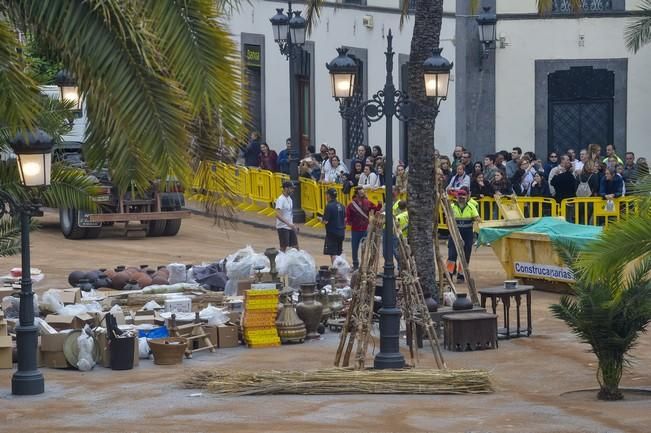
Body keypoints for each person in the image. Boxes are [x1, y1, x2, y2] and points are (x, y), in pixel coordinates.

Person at [446, 189, 480, 283]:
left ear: (466, 197)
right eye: (459, 197)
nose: (461, 199)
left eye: (463, 197)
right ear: (457, 197)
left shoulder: (471, 207)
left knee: (465, 255)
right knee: (452, 255)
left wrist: (477, 219)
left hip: (467, 234)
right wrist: (451, 231)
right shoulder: (452, 207)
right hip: (454, 233)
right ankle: (449, 275)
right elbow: (447, 221)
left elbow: (477, 218)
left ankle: (461, 275)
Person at [346, 187, 382, 269]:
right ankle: (355, 264)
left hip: (364, 229)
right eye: (361, 192)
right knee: (354, 248)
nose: (363, 193)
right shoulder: (351, 205)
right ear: (356, 194)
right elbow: (348, 217)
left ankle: (364, 264)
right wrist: (352, 223)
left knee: (366, 248)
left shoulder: (367, 202)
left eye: (363, 192)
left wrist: (379, 205)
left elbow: (376, 210)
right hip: (355, 230)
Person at [321, 188, 346, 264]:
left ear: (329, 195)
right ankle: (340, 270)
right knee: (338, 253)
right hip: (341, 232)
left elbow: (325, 221)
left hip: (332, 233)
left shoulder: (329, 206)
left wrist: (320, 220)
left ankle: (336, 271)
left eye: (326, 194)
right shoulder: (341, 206)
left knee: (333, 254)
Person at [275, 181, 299, 252]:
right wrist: (288, 224)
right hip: (282, 227)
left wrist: (292, 225)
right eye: (291, 188)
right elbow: (277, 214)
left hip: (290, 226)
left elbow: (289, 214)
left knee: (296, 246)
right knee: (283, 247)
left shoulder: (290, 199)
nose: (293, 190)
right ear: (285, 188)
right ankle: (279, 261)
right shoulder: (280, 199)